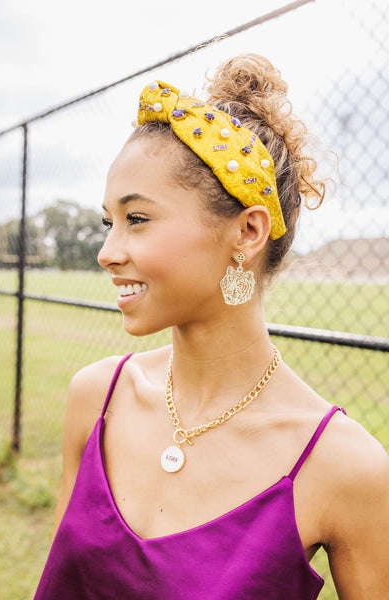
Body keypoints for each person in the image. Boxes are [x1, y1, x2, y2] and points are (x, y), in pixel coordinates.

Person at [34, 54, 389, 599]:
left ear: (248, 232)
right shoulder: (95, 398)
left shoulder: (346, 469)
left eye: (137, 219)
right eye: (109, 221)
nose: (107, 252)